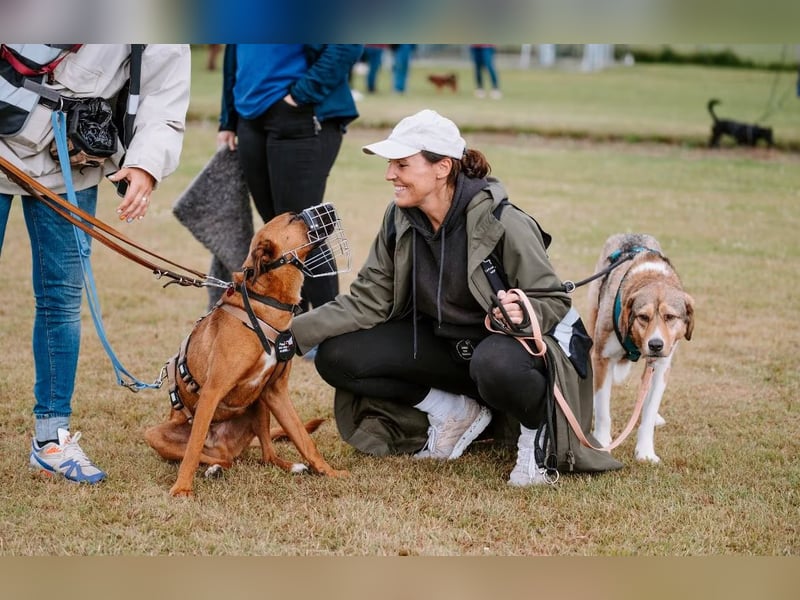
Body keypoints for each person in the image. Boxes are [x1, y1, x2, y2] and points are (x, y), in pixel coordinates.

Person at [290, 109, 619, 487]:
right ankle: (452, 412)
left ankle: (536, 438)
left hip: (506, 355)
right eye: (390, 164)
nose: (389, 174)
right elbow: (368, 298)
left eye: (401, 164)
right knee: (336, 357)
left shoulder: (506, 222)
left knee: (494, 363)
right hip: (447, 350)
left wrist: (524, 314)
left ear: (442, 167)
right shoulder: (398, 218)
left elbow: (552, 299)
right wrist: (289, 333)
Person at [0, 44, 191, 483]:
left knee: (60, 299)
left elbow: (166, 89)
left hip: (71, 152)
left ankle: (51, 438)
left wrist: (145, 164)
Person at [216, 44, 363, 315]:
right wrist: (229, 117)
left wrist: (300, 96)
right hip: (250, 118)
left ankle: (326, 334)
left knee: (306, 232)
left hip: (301, 114)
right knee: (277, 231)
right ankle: (292, 324)